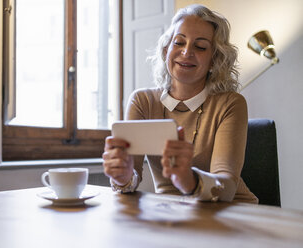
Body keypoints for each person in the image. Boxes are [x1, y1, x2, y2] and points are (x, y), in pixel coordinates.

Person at [102, 4, 258, 203]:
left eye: (200, 47)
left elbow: (227, 188)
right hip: (173, 213)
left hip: (231, 212)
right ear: (166, 50)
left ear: (214, 60)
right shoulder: (143, 102)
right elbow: (132, 178)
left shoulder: (230, 103)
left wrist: (190, 181)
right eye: (179, 42)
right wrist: (123, 178)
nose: (186, 52)